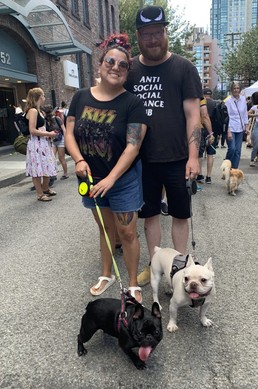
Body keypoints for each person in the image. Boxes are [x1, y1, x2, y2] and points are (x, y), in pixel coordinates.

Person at [65, 43, 149, 303]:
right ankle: (106, 274)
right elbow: (69, 133)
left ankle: (133, 282)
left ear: (127, 72)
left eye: (123, 65)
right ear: (100, 65)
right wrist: (78, 159)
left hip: (122, 181)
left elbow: (133, 146)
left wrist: (112, 179)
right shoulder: (80, 97)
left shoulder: (132, 102)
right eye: (110, 62)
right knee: (105, 229)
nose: (116, 67)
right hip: (90, 180)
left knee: (127, 233)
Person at [125, 5, 202, 286]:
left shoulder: (183, 68)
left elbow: (193, 115)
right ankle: (154, 266)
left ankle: (180, 270)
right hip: (143, 161)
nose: (153, 39)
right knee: (150, 217)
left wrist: (194, 157)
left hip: (179, 158)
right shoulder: (130, 69)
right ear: (139, 36)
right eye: (147, 34)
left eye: (158, 32)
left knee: (180, 216)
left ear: (165, 32)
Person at [25, 88, 58, 201]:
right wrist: (48, 133)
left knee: (47, 166)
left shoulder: (39, 111)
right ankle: (40, 194)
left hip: (43, 142)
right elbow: (32, 130)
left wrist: (48, 134)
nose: (44, 98)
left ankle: (45, 189)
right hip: (36, 143)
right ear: (39, 97)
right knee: (37, 169)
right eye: (43, 95)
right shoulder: (33, 111)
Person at [225, 82, 249, 168]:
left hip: (240, 128)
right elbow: (226, 117)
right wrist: (228, 130)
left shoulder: (243, 99)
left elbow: (245, 114)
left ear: (240, 90)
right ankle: (226, 166)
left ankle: (234, 169)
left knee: (238, 151)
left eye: (237, 88)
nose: (236, 90)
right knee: (232, 149)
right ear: (231, 90)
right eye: (234, 88)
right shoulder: (228, 101)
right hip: (231, 128)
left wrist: (247, 126)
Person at [44, 105, 69, 180]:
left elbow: (64, 129)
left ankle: (65, 173)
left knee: (61, 158)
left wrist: (66, 140)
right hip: (53, 141)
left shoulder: (57, 118)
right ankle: (53, 173)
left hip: (60, 140)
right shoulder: (47, 121)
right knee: (51, 158)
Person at [196, 95, 215, 185]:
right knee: (199, 154)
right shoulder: (200, 98)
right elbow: (204, 115)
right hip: (197, 128)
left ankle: (199, 175)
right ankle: (206, 176)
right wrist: (211, 133)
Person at [248, 91, 258, 167]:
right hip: (257, 125)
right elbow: (248, 113)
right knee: (256, 143)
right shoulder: (255, 107)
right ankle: (252, 159)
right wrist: (256, 115)